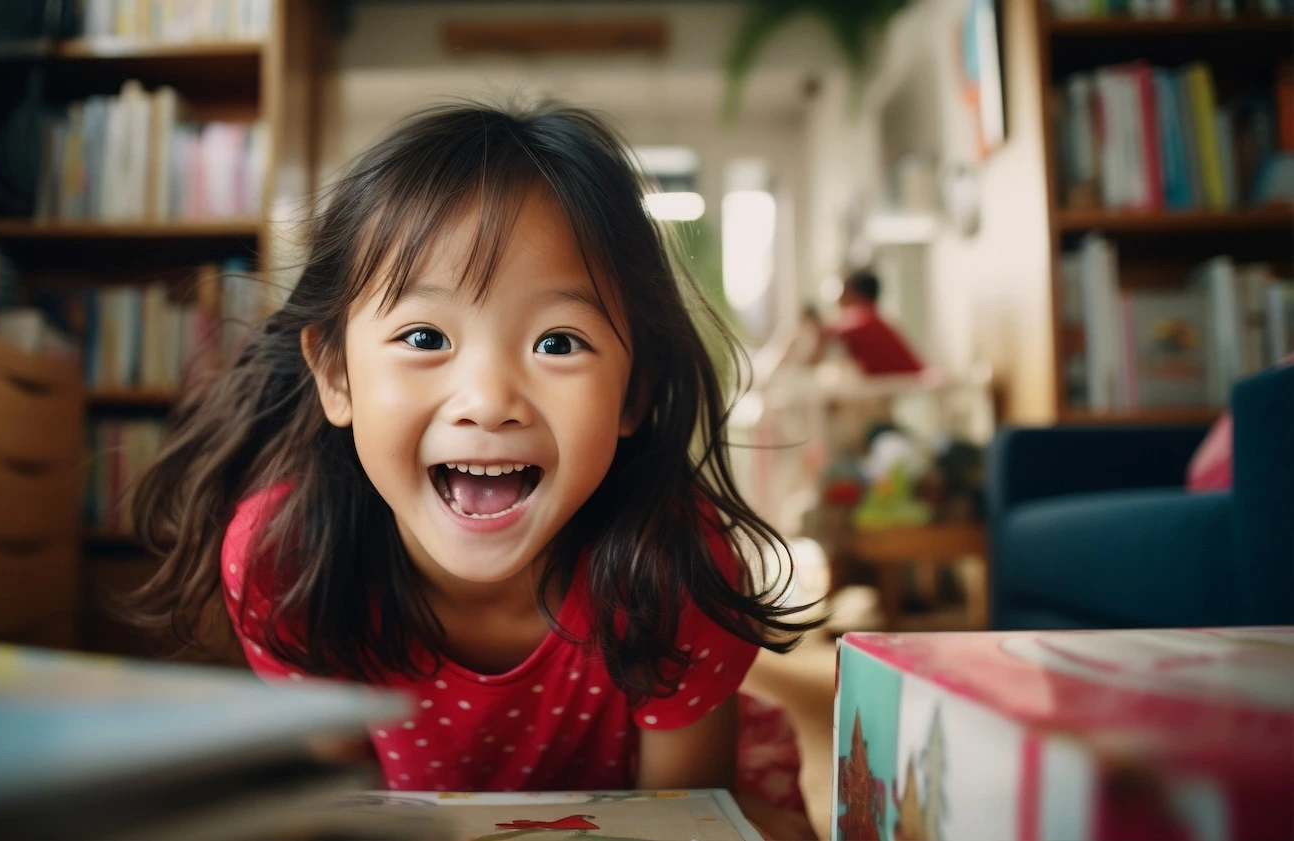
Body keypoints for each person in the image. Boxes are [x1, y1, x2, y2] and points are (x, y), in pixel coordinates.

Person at [125, 101, 819, 800]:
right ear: (336, 375)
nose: (487, 400)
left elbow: (680, 824)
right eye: (425, 337)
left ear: (633, 394)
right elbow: (353, 810)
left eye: (558, 342)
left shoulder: (675, 568)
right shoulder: (288, 557)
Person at [803, 270, 924, 376]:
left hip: (901, 380)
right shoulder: (873, 317)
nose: (839, 299)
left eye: (843, 292)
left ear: (853, 294)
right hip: (902, 377)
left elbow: (826, 334)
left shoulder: (860, 317)